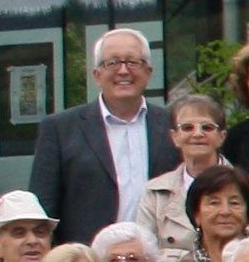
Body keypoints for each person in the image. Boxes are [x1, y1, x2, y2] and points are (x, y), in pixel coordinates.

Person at [29, 26, 169, 246]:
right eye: (112, 62)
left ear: (148, 72)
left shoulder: (173, 125)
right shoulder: (60, 129)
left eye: (132, 62)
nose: (123, 71)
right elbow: (43, 210)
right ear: (97, 75)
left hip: (159, 261)